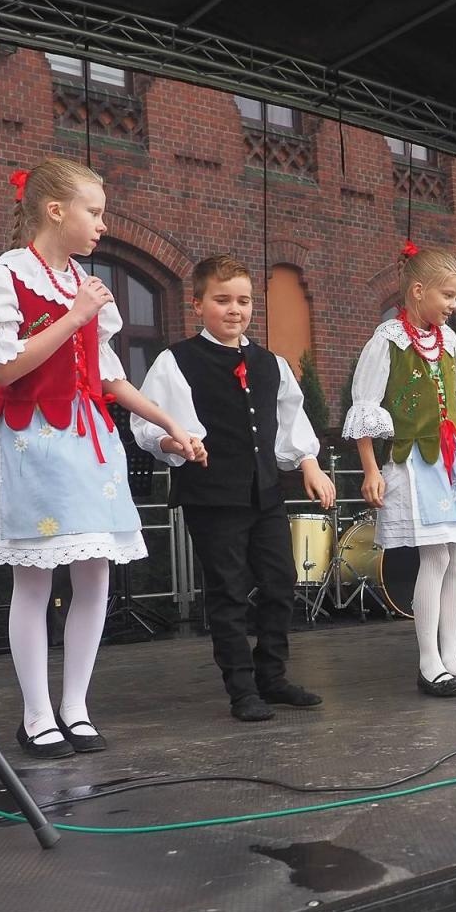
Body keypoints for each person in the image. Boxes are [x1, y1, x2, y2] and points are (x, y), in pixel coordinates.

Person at [0, 158, 204, 757]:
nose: (101, 224)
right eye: (93, 212)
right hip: (32, 440)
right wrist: (74, 315)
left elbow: (110, 379)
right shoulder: (5, 276)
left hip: (89, 442)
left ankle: (75, 706)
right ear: (55, 211)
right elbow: (5, 366)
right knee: (35, 576)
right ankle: (36, 713)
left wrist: (171, 421)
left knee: (96, 571)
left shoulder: (85, 286)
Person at [133, 254, 336, 722]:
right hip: (211, 496)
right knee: (227, 591)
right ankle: (242, 689)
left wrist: (309, 463)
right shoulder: (177, 361)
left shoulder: (271, 364)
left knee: (280, 581)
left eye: (243, 301)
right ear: (198, 303)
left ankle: (273, 676)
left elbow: (290, 422)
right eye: (222, 300)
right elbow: (147, 423)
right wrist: (174, 442)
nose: (234, 309)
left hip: (265, 492)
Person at [345, 243, 456, 698]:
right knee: (436, 557)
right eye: (447, 295)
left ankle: (453, 658)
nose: (454, 305)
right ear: (418, 291)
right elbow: (364, 409)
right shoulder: (387, 341)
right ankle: (428, 663)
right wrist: (370, 470)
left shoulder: (451, 343)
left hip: (451, 463)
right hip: (412, 460)